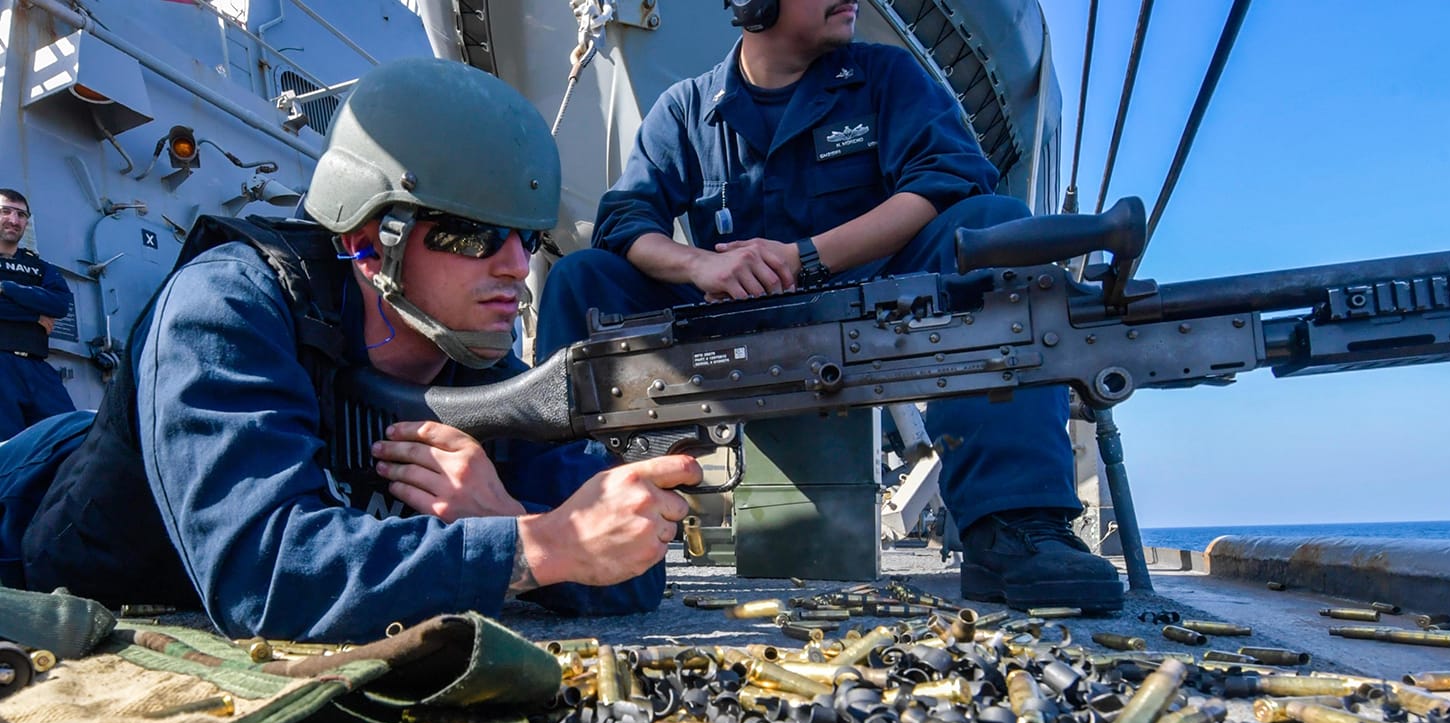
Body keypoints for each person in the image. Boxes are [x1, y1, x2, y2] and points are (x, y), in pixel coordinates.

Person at [13, 58, 699, 641]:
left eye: (527, 238)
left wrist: (509, 520)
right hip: (33, 515)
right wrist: (540, 546)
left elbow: (629, 559)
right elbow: (266, 575)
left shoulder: (469, 358)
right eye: (476, 234)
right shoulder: (225, 307)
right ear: (371, 243)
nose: (516, 265)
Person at [537, 0, 1123, 612]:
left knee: (995, 229)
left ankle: (1015, 527)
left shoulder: (885, 78)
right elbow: (626, 219)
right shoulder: (688, 108)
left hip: (876, 311)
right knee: (584, 280)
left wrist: (804, 257)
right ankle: (554, 516)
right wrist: (701, 264)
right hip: (737, 316)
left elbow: (945, 180)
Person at [0, 189, 75, 440]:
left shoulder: (39, 266)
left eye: (21, 215)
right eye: (5, 211)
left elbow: (60, 304)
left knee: (69, 438)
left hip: (37, 367)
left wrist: (8, 288)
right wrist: (34, 317)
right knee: (7, 447)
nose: (14, 220)